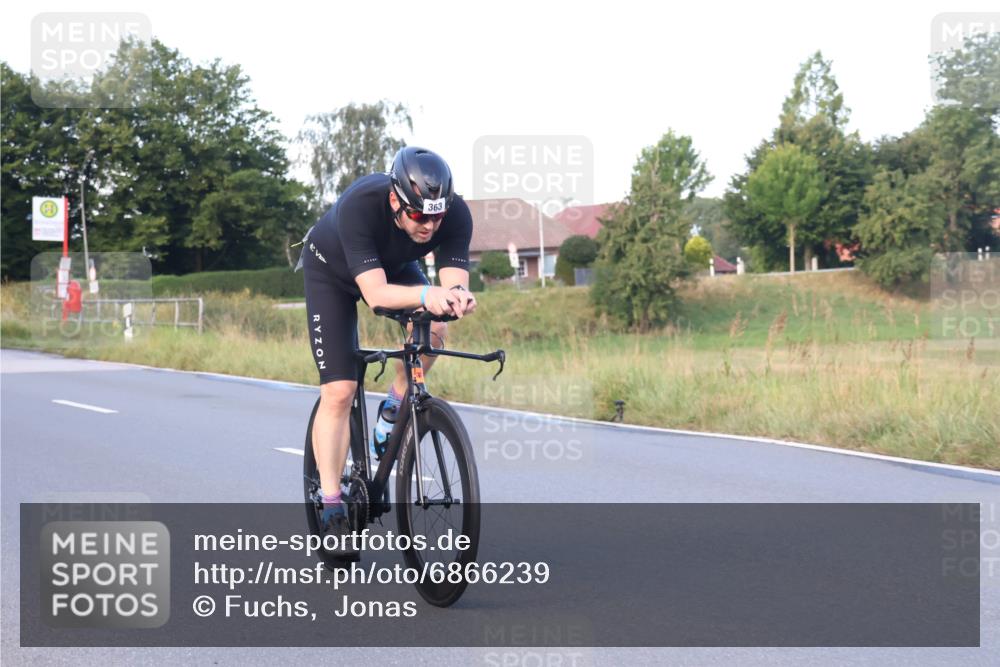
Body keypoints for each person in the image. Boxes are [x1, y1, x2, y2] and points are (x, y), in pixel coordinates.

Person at [299, 147, 477, 552]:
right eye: (419, 216)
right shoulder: (361, 205)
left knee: (435, 329)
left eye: (437, 217)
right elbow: (377, 296)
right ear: (396, 200)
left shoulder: (454, 214)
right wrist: (428, 293)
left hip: (392, 267)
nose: (429, 226)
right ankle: (332, 507)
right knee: (340, 390)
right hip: (332, 273)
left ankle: (394, 407)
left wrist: (458, 296)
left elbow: (453, 282)